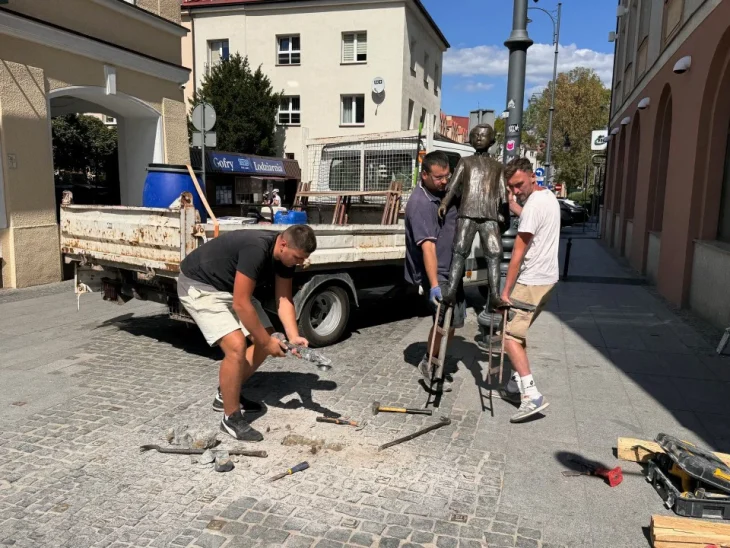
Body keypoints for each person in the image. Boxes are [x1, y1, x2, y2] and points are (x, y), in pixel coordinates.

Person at [177, 225, 317, 440]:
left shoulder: (285, 257)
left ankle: (226, 395)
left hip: (229, 287)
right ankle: (231, 418)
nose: (300, 263)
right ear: (283, 244)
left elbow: (284, 299)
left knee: (271, 338)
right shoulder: (257, 248)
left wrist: (293, 335)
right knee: (236, 346)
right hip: (200, 285)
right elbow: (241, 304)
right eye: (298, 258)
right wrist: (266, 342)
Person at [499, 157, 561, 423]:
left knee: (510, 336)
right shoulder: (547, 197)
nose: (516, 191)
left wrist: (505, 291)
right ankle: (515, 385)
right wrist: (512, 205)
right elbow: (530, 217)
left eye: (519, 185)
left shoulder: (534, 206)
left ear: (531, 176)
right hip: (549, 280)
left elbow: (517, 254)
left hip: (531, 281)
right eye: (511, 187)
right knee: (519, 331)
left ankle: (531, 395)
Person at [404, 150, 465, 391]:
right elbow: (427, 247)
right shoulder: (420, 203)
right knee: (442, 321)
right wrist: (435, 284)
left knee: (452, 323)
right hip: (438, 271)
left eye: (447, 176)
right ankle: (429, 365)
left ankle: (437, 360)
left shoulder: (443, 193)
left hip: (453, 267)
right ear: (425, 175)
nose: (444, 182)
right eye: (439, 177)